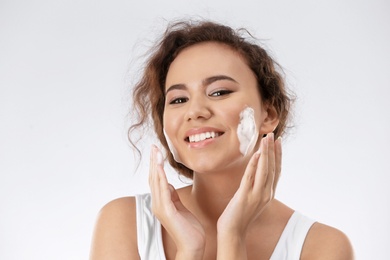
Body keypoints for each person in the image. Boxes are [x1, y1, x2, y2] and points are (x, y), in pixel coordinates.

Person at [90, 20, 354, 259]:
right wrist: (189, 251)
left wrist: (232, 237)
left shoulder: (322, 247)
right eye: (179, 99)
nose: (194, 111)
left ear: (269, 114)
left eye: (219, 92)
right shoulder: (125, 223)